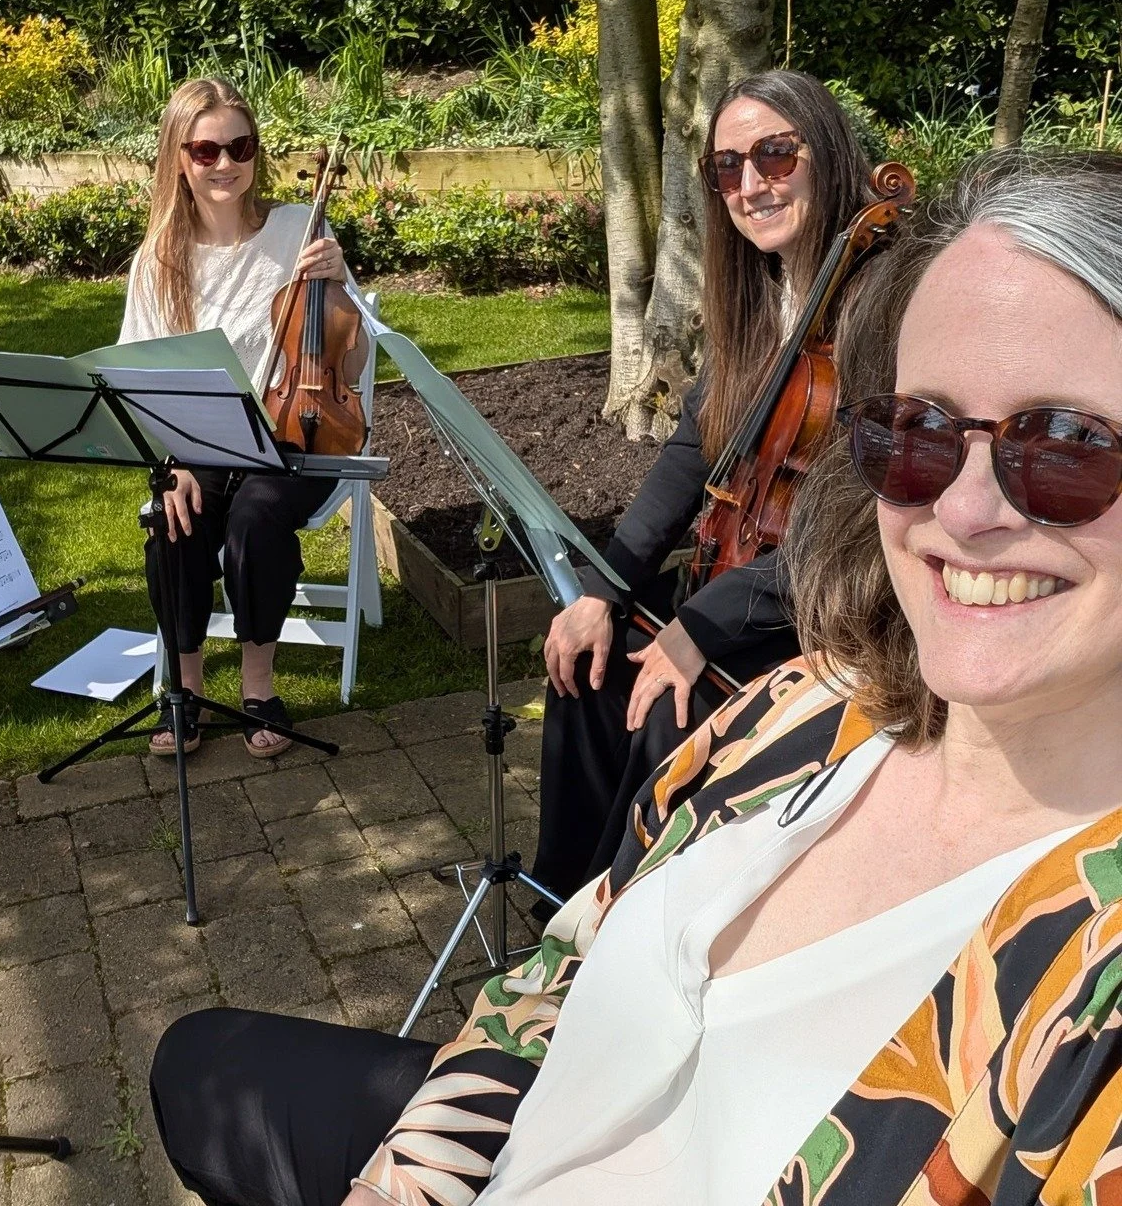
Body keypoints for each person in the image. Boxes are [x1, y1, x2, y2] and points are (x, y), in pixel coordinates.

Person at [150, 146, 1122, 1205]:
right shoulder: (803, 710)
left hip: (750, 608)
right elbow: (570, 957)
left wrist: (695, 625)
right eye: (920, 431)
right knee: (198, 1061)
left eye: (1070, 440)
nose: (967, 513)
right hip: (511, 1144)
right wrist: (411, 1172)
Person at [530, 70, 877, 905]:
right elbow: (695, 446)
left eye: (774, 156)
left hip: (837, 602)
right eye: (728, 168)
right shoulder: (761, 291)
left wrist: (698, 627)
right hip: (750, 587)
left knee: (667, 714)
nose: (751, 185)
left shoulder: (882, 302)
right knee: (585, 666)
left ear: (825, 154)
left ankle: (639, 920)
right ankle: (563, 903)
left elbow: (858, 523)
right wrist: (606, 589)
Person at [118, 77, 368, 758]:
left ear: (256, 153)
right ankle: (187, 692)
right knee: (175, 515)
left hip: (297, 434)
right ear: (179, 158)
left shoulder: (297, 229)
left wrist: (340, 284)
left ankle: (259, 689)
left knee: (256, 515)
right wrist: (170, 466)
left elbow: (351, 352)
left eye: (240, 146)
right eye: (205, 150)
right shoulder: (158, 262)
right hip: (200, 439)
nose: (224, 163)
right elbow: (137, 377)